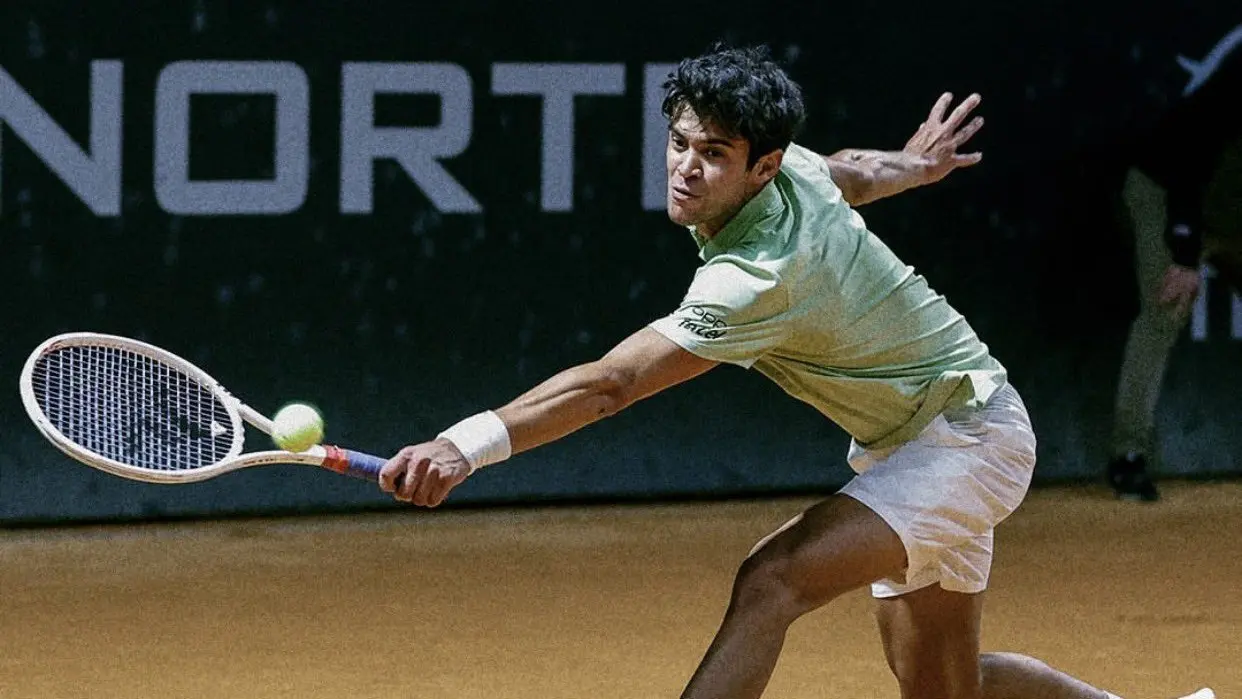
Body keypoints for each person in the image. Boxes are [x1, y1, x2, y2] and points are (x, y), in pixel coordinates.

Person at [379, 45, 1212, 699]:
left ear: (762, 167)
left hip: (967, 437)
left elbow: (611, 385)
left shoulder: (754, 278)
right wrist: (913, 167)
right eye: (678, 142)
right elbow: (846, 168)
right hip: (929, 437)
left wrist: (466, 444)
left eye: (713, 152)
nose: (685, 167)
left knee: (770, 579)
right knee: (945, 691)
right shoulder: (795, 170)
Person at [1108, 23, 1242, 502]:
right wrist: (1185, 255)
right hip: (1165, 192)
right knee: (1164, 310)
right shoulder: (1234, 84)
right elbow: (1190, 161)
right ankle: (1128, 456)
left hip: (1228, 206)